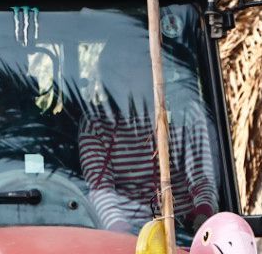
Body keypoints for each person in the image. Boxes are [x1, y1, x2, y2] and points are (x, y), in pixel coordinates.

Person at [77, 46, 217, 233]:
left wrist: (202, 217)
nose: (125, 76)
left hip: (184, 230)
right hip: (128, 235)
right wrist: (121, 233)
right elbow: (101, 190)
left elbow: (201, 178)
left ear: (153, 70)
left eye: (134, 66)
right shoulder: (96, 124)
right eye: (116, 70)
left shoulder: (185, 114)